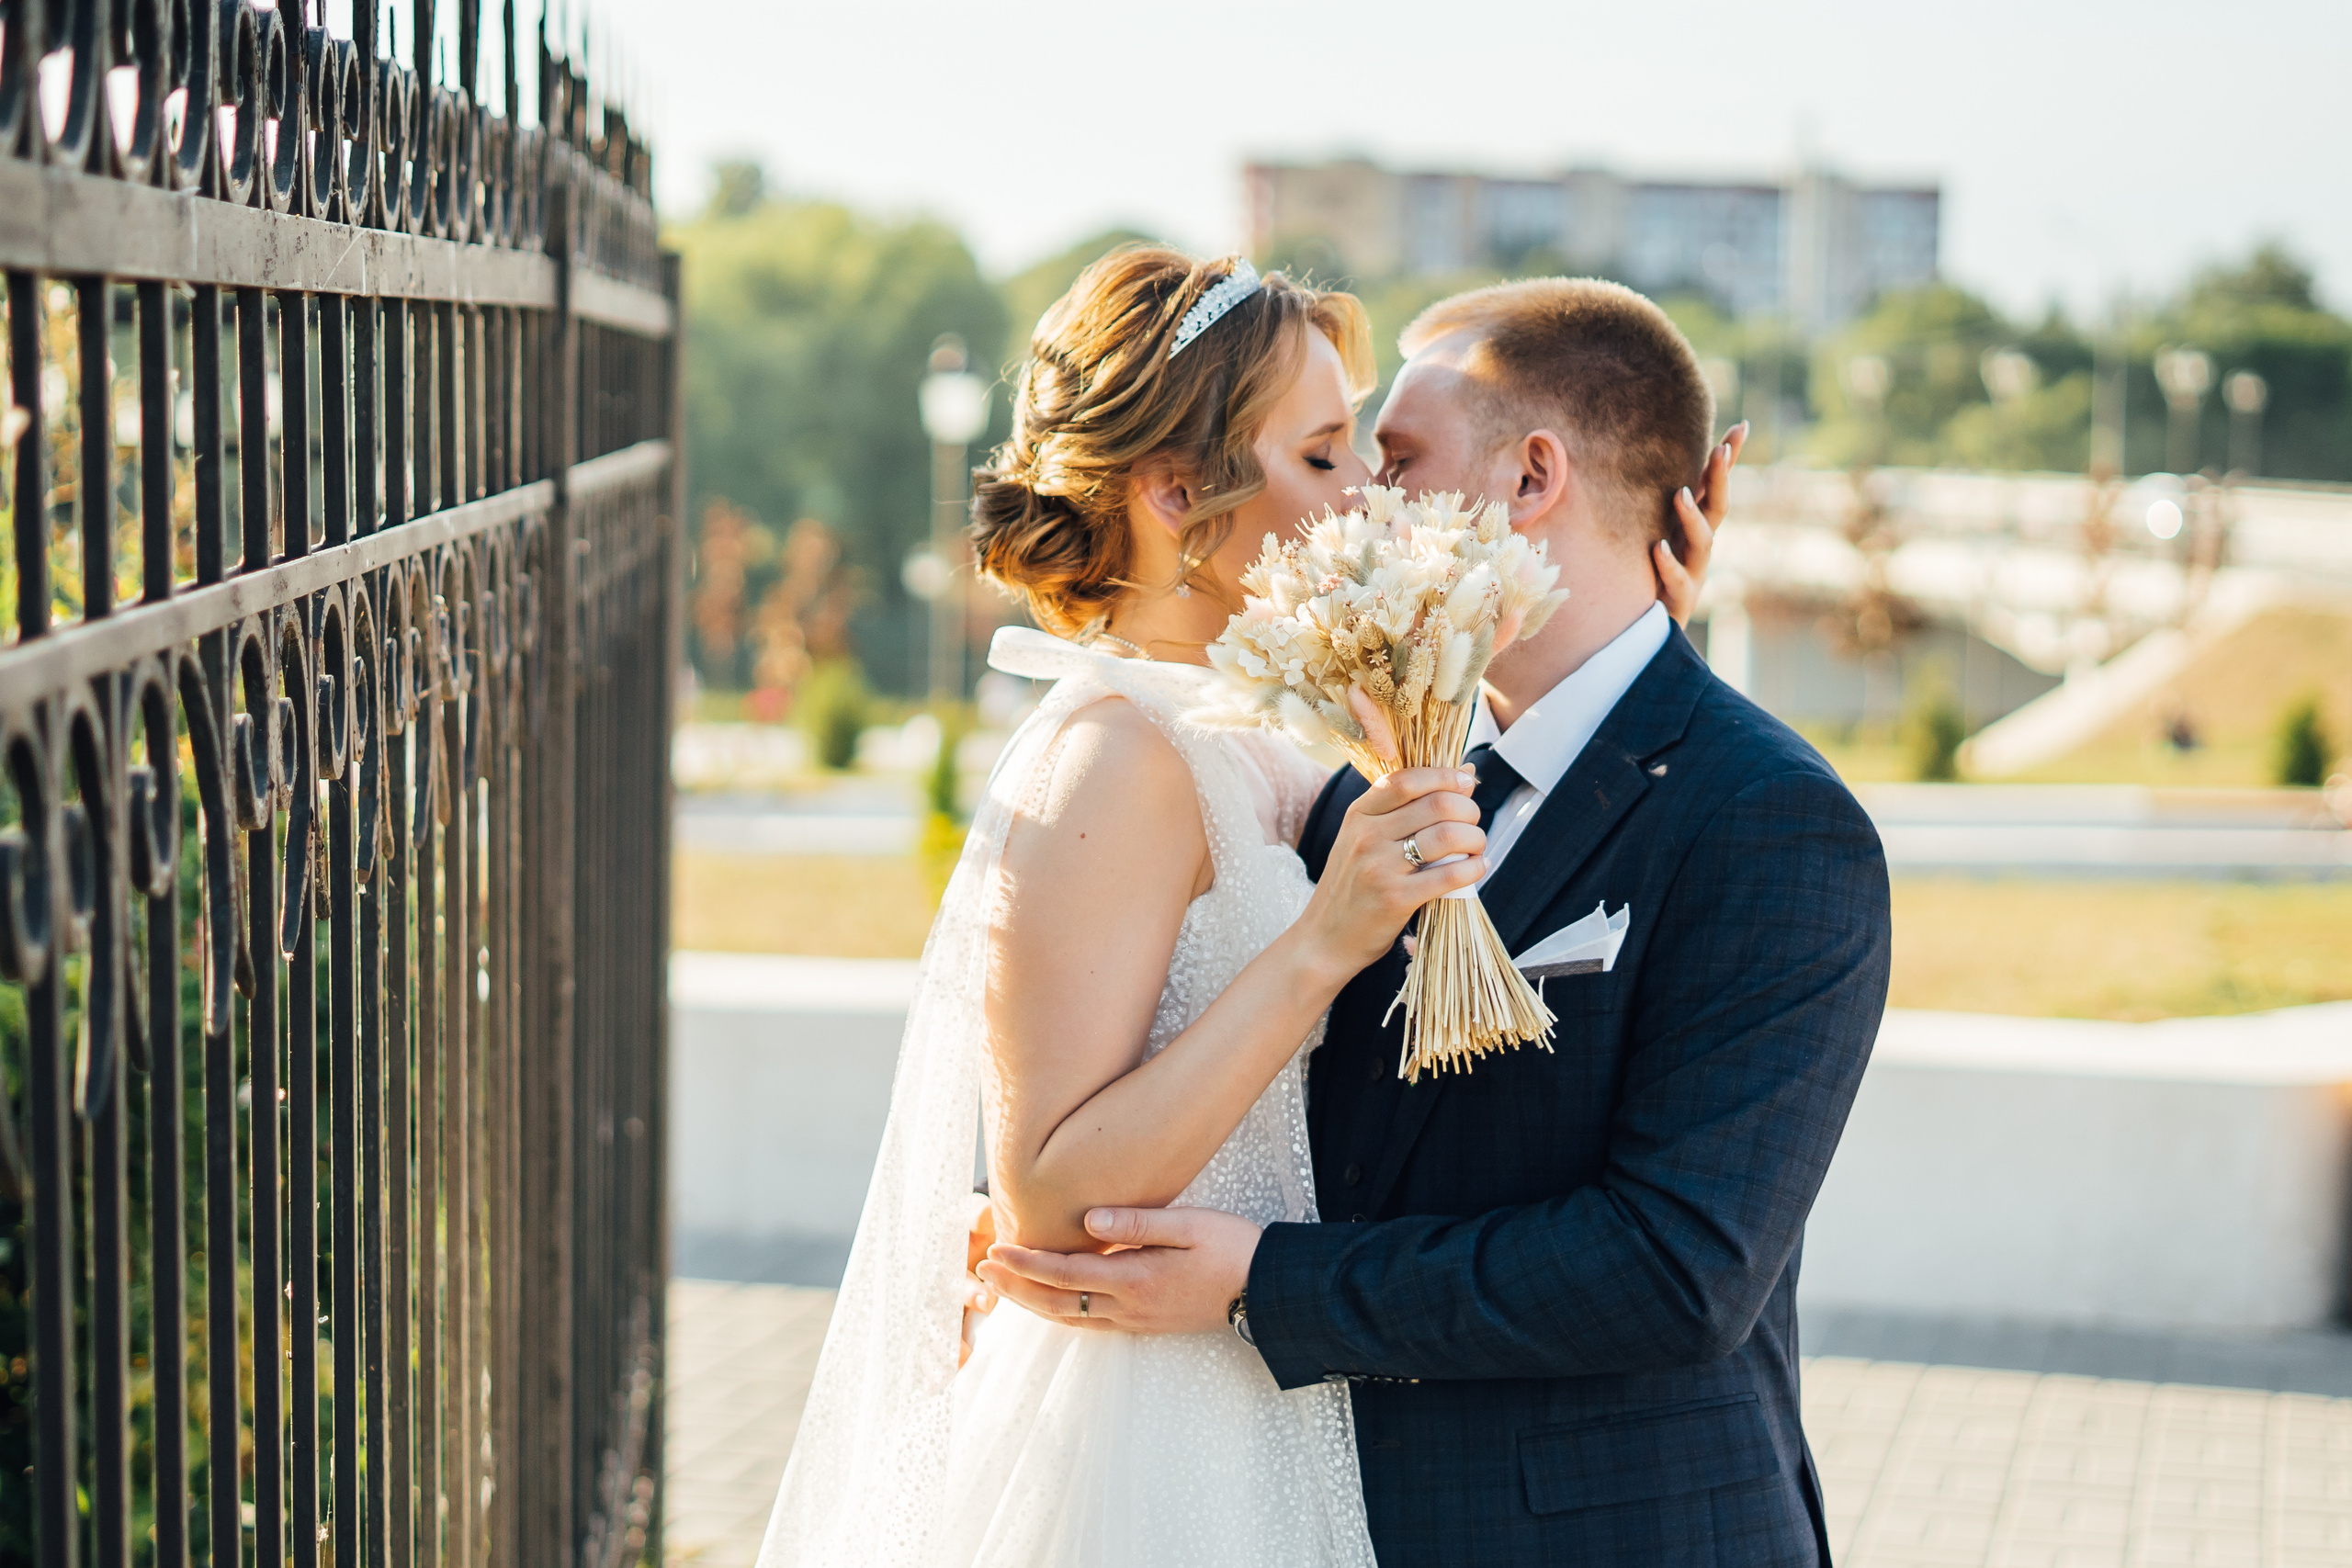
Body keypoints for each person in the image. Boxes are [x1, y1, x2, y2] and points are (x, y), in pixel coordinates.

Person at [755, 249, 1734, 1565]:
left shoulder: (1260, 729)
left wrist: (1638, 626)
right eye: (1325, 456)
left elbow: (1469, 749)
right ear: (1174, 492)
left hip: (1263, 1399)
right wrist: (1322, 947)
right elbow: (1044, 1195)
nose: (1365, 499)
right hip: (1146, 1432)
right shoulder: (1113, 756)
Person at [979, 277, 1891, 1566]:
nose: (1359, 499)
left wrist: (1261, 1283)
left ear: (1532, 481)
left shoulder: (1768, 820)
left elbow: (1678, 1270)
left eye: (1393, 459)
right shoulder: (1359, 782)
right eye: (1334, 455)